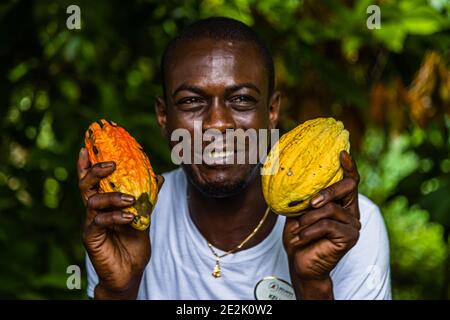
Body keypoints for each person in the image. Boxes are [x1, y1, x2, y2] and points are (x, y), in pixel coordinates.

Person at [77, 17, 391, 300]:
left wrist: (314, 288)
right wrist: (119, 292)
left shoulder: (345, 228)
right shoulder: (125, 218)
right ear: (163, 115)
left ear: (271, 112)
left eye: (241, 100)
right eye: (192, 101)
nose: (218, 124)